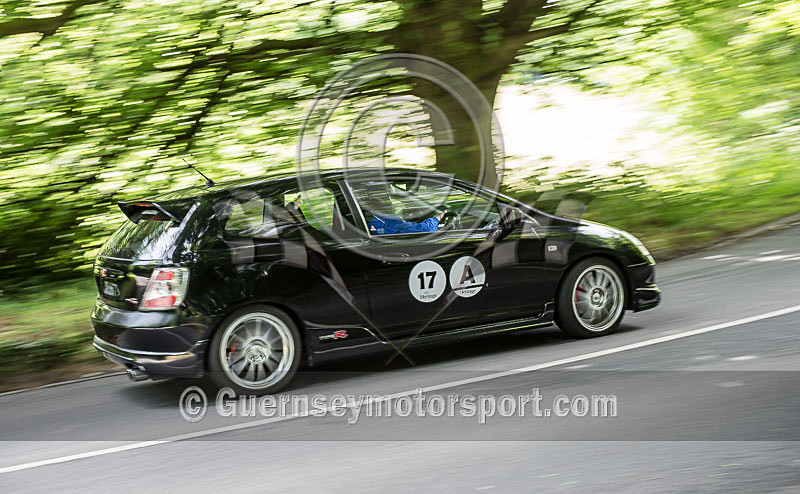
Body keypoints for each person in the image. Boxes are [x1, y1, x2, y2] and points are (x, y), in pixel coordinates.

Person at [362, 186, 444, 235]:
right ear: (377, 200)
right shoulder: (383, 221)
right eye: (386, 197)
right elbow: (423, 231)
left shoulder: (365, 216)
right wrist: (436, 219)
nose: (390, 202)